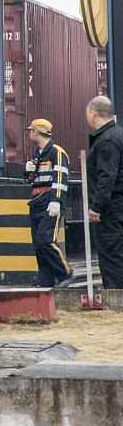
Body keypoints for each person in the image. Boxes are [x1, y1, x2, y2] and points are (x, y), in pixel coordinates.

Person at [23, 118, 73, 288]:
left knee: (46, 239)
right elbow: (33, 180)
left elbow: (60, 179)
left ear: (36, 132)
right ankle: (45, 282)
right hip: (37, 202)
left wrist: (56, 200)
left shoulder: (56, 153)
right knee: (39, 244)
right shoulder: (38, 154)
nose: (30, 134)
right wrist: (27, 172)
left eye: (31, 131)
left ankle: (65, 273)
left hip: (49, 201)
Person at [86, 96, 123, 288]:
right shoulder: (118, 134)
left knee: (111, 256)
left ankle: (116, 297)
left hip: (110, 210)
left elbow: (107, 176)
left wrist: (96, 206)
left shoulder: (107, 140)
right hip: (117, 207)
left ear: (93, 113)